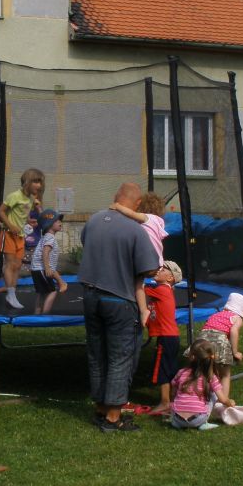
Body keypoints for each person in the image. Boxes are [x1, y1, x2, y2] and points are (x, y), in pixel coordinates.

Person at [80, 182, 160, 432]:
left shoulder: (93, 220)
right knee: (120, 357)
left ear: (116, 197)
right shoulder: (135, 230)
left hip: (90, 296)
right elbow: (150, 268)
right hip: (120, 299)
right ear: (138, 204)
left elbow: (86, 245)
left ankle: (101, 408)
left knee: (97, 354)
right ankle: (114, 417)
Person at [111, 190, 169, 325]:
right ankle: (144, 310)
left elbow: (131, 214)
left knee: (137, 283)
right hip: (157, 262)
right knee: (139, 284)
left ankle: (139, 308)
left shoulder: (148, 217)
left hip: (146, 260)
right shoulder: (159, 222)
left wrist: (118, 206)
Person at [0, 168, 44, 309]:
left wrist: (29, 221)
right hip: (8, 234)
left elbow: (23, 214)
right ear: (27, 182)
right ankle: (11, 295)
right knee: (10, 264)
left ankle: (11, 292)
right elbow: (0, 211)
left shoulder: (30, 199)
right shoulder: (14, 196)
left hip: (21, 236)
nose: (39, 185)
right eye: (36, 182)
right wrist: (11, 226)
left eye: (40, 182)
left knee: (17, 266)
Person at [144, 259, 183, 416]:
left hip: (166, 337)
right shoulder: (163, 290)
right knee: (170, 368)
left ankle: (165, 402)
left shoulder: (162, 290)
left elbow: (140, 289)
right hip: (170, 336)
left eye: (163, 269)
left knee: (162, 369)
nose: (158, 270)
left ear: (170, 277)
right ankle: (173, 400)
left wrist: (142, 274)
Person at [169, 339, 235, 430]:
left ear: (191, 356)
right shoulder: (210, 377)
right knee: (213, 394)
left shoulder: (181, 372)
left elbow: (173, 392)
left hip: (177, 418)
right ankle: (203, 423)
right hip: (197, 419)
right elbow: (222, 399)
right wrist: (230, 403)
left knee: (179, 394)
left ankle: (177, 423)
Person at [196, 292, 243, 402]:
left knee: (203, 370)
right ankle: (223, 401)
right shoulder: (237, 318)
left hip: (202, 340)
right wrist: (235, 352)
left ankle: (198, 398)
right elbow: (233, 331)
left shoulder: (216, 314)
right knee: (225, 374)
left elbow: (207, 327)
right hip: (219, 340)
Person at [29, 208, 68, 314]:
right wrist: (47, 268)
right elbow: (45, 252)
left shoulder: (45, 237)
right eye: (57, 221)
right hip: (42, 268)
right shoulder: (50, 237)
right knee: (52, 291)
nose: (60, 222)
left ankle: (37, 315)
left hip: (36, 269)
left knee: (41, 294)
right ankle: (45, 315)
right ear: (49, 224)